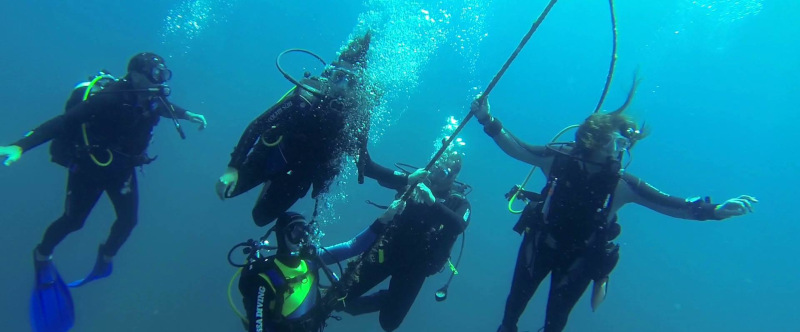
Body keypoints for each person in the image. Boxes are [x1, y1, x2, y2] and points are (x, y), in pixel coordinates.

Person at [470, 83, 757, 332]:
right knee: (511, 313)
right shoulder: (561, 159)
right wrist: (487, 119)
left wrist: (715, 210)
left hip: (579, 260)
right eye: (619, 141)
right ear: (597, 137)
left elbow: (671, 204)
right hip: (541, 243)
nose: (622, 150)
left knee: (555, 324)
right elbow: (519, 149)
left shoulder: (621, 184)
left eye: (626, 145)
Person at [0, 52, 206, 328]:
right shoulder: (110, 97)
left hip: (122, 170)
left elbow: (164, 107)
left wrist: (187, 114)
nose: (157, 84)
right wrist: (20, 146)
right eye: (152, 76)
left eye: (162, 76)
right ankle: (42, 253)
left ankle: (106, 256)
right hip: (91, 169)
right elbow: (63, 122)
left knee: (128, 221)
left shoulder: (152, 97)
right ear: (134, 75)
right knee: (74, 222)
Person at [216, 32, 373, 227]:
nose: (342, 86)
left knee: (260, 218)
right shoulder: (306, 97)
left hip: (300, 173)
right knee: (227, 190)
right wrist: (233, 167)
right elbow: (259, 124)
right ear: (329, 74)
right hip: (273, 153)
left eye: (351, 81)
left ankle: (272, 188)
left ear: (359, 87)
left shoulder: (354, 117)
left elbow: (367, 166)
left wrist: (405, 179)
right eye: (339, 76)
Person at [340, 144, 471, 332]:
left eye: (441, 173)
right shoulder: (415, 181)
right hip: (387, 251)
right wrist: (357, 135)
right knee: (341, 298)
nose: (434, 176)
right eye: (434, 169)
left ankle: (389, 298)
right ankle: (380, 299)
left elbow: (459, 225)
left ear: (453, 177)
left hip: (415, 267)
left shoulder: (458, 201)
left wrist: (432, 202)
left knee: (389, 323)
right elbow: (369, 168)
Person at [237, 200, 405, 332]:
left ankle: (387, 298)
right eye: (296, 232)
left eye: (305, 231)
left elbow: (352, 247)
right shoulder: (266, 277)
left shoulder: (310, 259)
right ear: (282, 235)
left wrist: (384, 219)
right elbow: (256, 327)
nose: (302, 238)